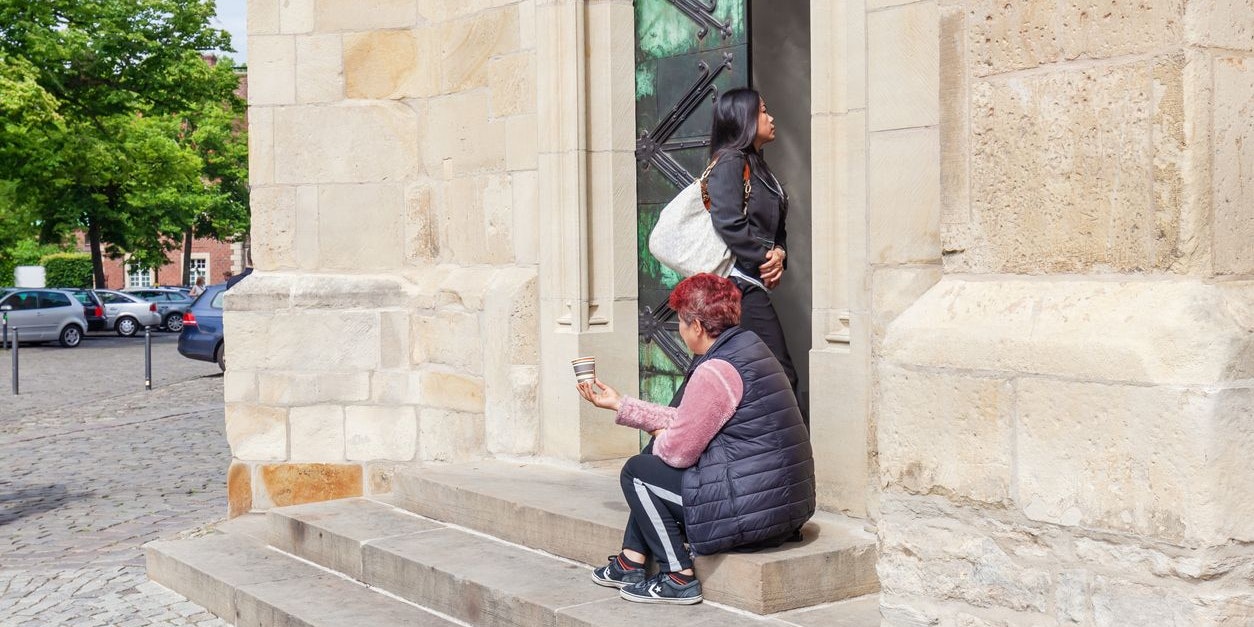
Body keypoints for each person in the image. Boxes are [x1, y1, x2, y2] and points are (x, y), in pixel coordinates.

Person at [576, 273, 815, 605]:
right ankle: (631, 560)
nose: (680, 330)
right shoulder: (748, 348)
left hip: (753, 510)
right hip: (781, 506)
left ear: (698, 327)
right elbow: (691, 419)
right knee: (654, 464)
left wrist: (661, 437)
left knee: (639, 471)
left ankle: (677, 577)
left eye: (681, 324)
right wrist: (621, 405)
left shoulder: (715, 370)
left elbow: (678, 454)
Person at [704, 88, 802, 421]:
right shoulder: (731, 162)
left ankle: (661, 455)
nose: (770, 117)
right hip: (736, 286)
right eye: (762, 111)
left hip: (748, 283)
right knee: (780, 376)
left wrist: (779, 255)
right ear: (744, 119)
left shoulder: (758, 168)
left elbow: (776, 231)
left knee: (710, 375)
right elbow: (728, 222)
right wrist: (764, 259)